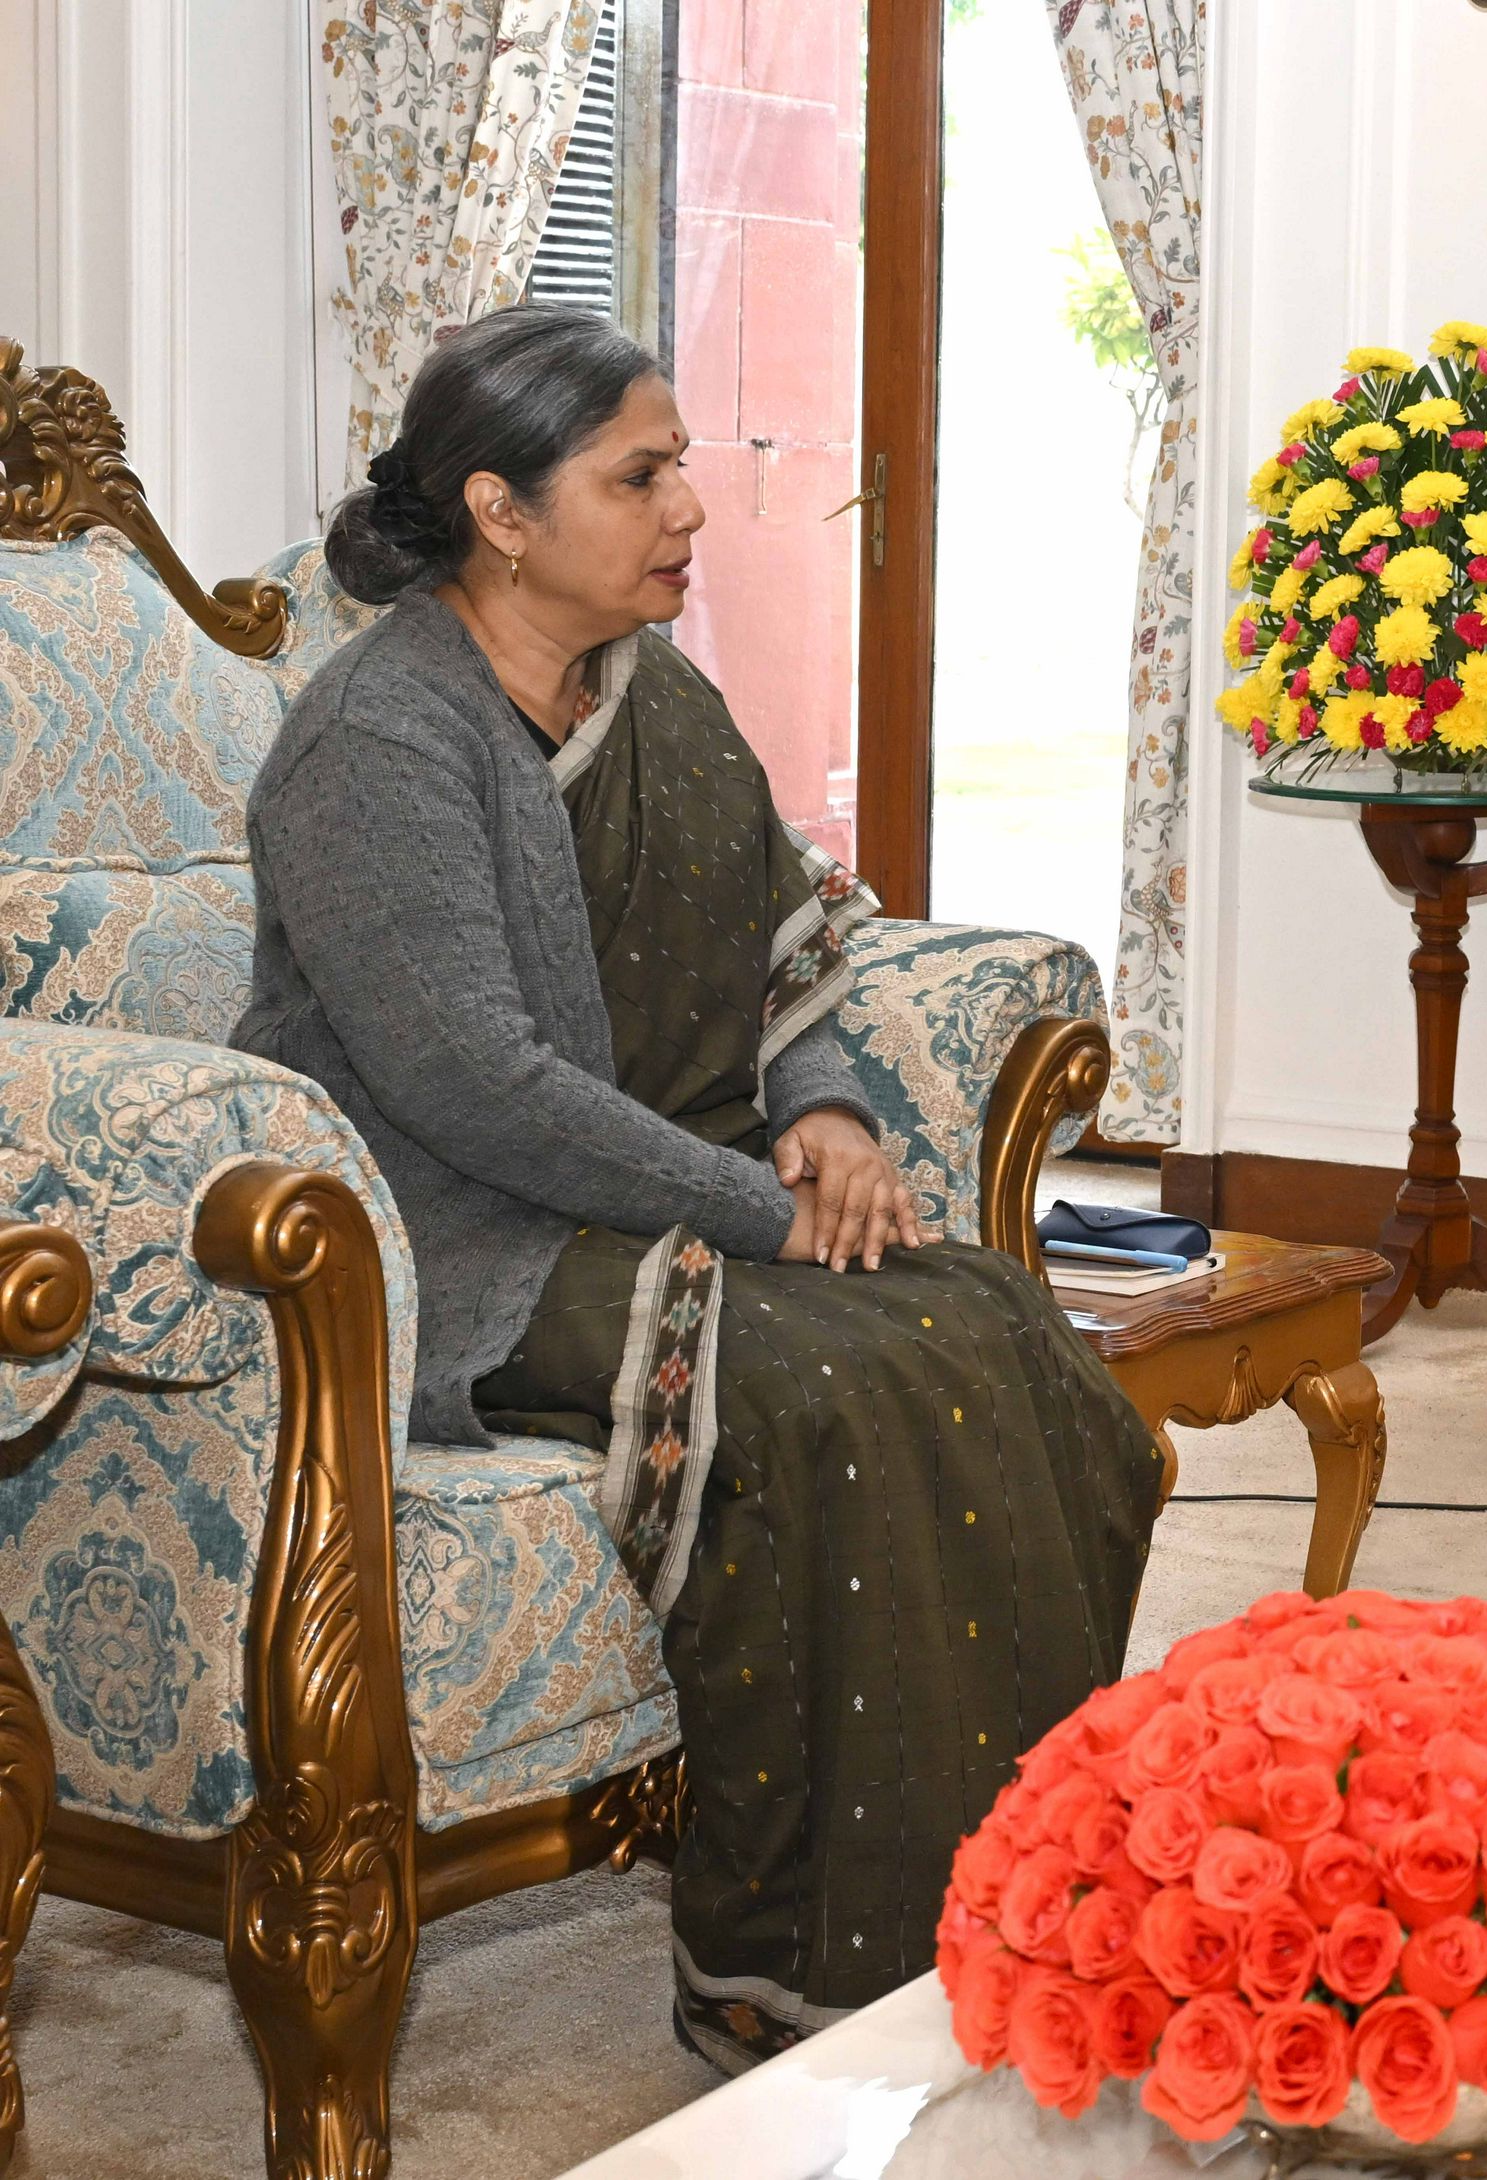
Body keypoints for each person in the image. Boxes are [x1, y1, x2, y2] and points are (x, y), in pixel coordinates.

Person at [236, 306, 1158, 2066]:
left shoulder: (651, 692)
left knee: (998, 1328)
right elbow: (477, 1087)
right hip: (462, 1239)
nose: (689, 508)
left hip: (671, 1186)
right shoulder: (381, 744)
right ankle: (794, 1968)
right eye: (640, 476)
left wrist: (824, 1116)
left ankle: (1040, 1904)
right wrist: (763, 1214)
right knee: (817, 1383)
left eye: (680, 468)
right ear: (500, 511)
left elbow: (778, 948)